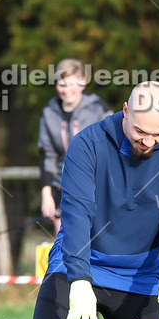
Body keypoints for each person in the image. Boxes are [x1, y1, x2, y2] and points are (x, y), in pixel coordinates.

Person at [32, 81, 159, 319]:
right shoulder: (87, 144)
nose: (149, 141)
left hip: (139, 276)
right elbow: (77, 214)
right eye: (140, 131)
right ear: (125, 111)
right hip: (78, 262)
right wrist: (79, 279)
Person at [37, 58, 112, 231]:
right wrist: (46, 193)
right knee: (65, 246)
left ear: (82, 83)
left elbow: (114, 148)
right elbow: (46, 155)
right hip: (61, 189)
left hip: (96, 187)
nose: (67, 90)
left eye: (71, 84)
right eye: (62, 85)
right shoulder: (49, 114)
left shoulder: (99, 109)